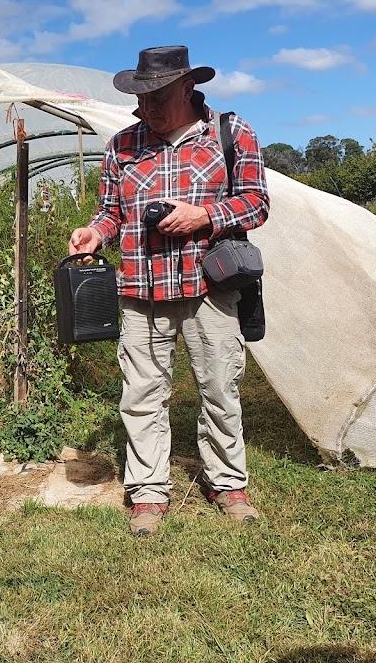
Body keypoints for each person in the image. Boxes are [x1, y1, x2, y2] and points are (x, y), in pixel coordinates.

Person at [68, 46, 269, 537]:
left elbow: (257, 203)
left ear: (187, 88)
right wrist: (94, 233)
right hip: (140, 288)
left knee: (220, 387)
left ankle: (228, 483)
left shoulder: (230, 132)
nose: (148, 107)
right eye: (141, 97)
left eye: (157, 95)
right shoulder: (122, 145)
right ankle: (148, 491)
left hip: (209, 286)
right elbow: (111, 211)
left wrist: (205, 216)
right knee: (140, 394)